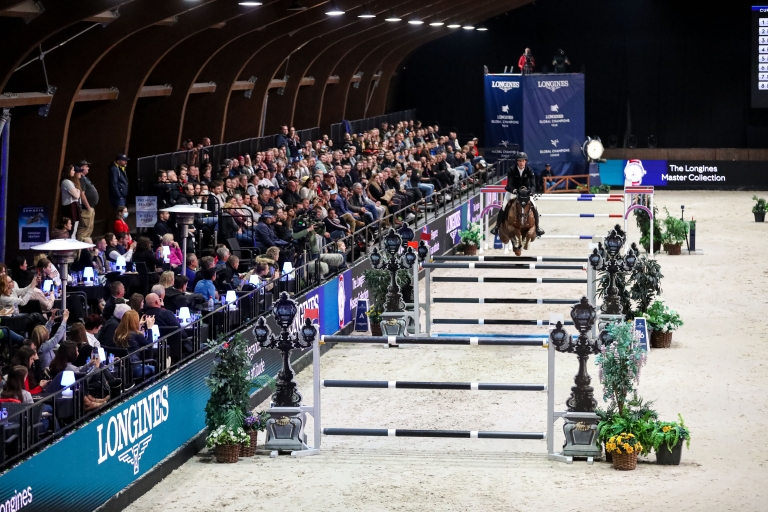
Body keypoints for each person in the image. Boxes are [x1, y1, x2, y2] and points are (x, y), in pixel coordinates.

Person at [491, 152, 544, 237]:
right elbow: (509, 185)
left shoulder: (529, 170)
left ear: (525, 161)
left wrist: (531, 191)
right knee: (504, 206)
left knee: (534, 206)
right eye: (519, 161)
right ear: (517, 162)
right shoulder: (511, 170)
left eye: (523, 161)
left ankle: (537, 228)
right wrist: (514, 190)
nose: (521, 163)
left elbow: (534, 185)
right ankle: (496, 227)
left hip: (525, 193)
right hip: (513, 192)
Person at [111, 310, 155, 379]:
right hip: (135, 367)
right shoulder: (136, 335)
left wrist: (138, 326)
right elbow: (150, 345)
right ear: (134, 322)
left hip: (122, 367)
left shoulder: (118, 333)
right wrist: (149, 328)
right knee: (157, 368)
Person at [76, 160, 99, 241]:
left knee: (89, 230)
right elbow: (82, 194)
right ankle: (80, 252)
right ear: (81, 167)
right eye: (86, 166)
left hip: (91, 208)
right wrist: (88, 207)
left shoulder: (86, 178)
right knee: (83, 232)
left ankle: (85, 251)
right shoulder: (81, 179)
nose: (88, 168)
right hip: (86, 209)